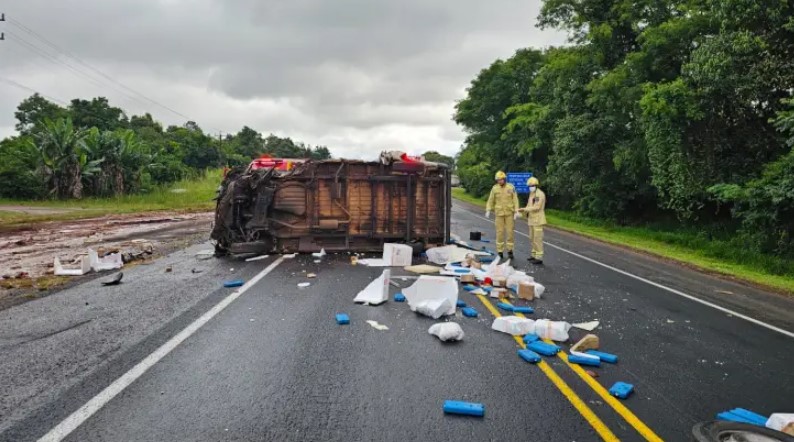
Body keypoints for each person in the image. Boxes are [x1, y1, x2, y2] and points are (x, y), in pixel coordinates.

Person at [485, 171, 520, 259]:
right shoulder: (494, 188)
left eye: (501, 180)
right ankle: (500, 251)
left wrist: (516, 211)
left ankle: (510, 250)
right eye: (498, 180)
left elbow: (515, 199)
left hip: (509, 213)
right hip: (499, 214)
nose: (499, 181)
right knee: (499, 232)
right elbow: (491, 200)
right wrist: (488, 209)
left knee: (510, 232)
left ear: (504, 179)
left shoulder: (511, 187)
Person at [519, 176, 546, 264]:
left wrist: (525, 209)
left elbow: (536, 207)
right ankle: (534, 255)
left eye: (532, 185)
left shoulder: (539, 194)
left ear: (536, 185)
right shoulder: (532, 194)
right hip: (531, 220)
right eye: (530, 186)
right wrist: (521, 211)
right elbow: (528, 205)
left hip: (538, 220)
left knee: (537, 238)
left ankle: (539, 257)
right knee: (532, 238)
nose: (531, 187)